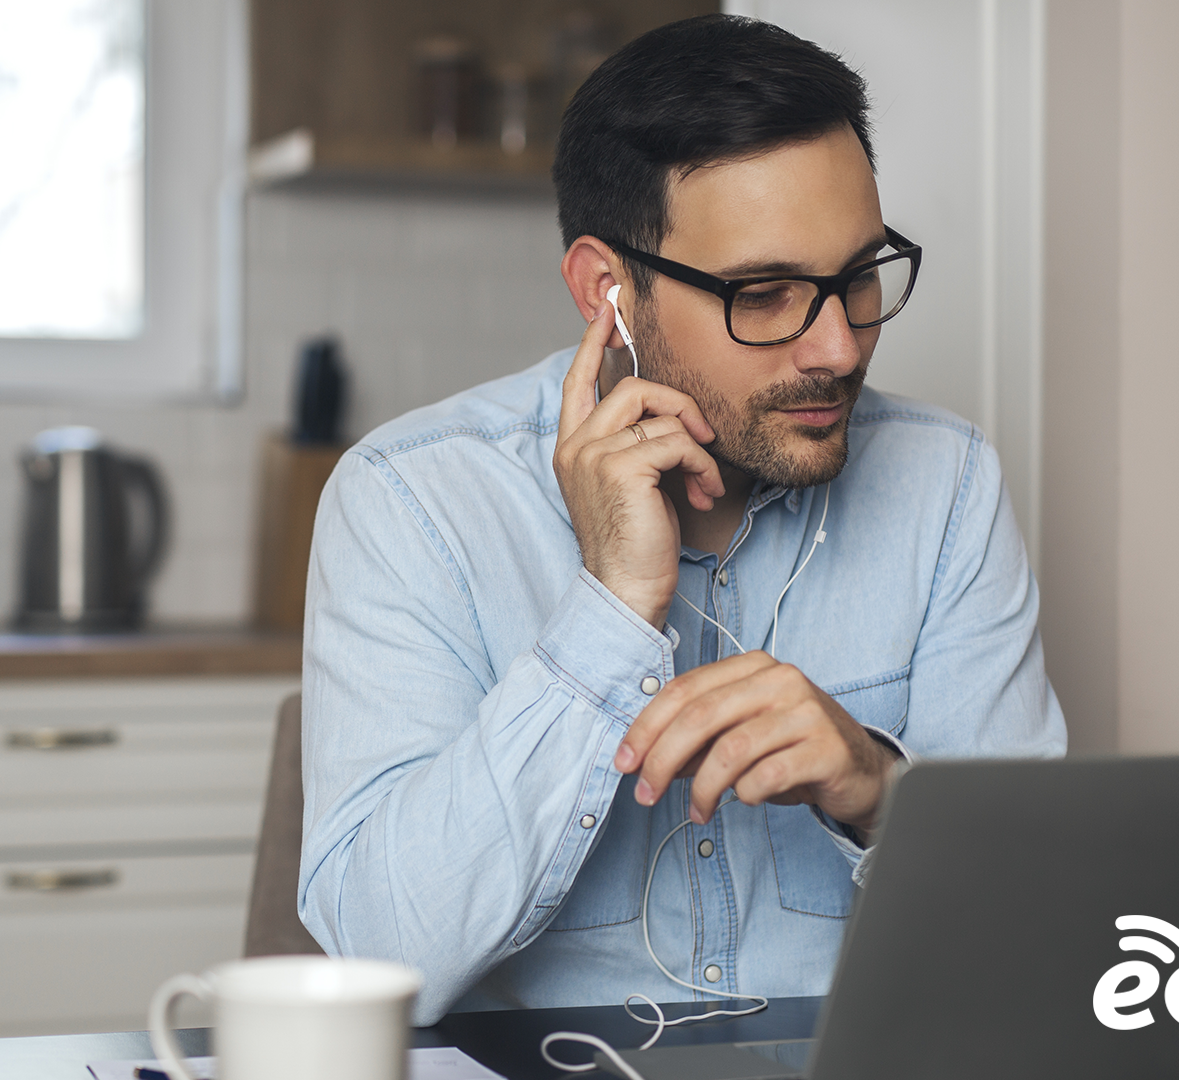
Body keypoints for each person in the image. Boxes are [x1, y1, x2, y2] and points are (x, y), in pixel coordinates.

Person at [297, 14, 1065, 1024]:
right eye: (765, 293)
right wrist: (609, 613)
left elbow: (1047, 945)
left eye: (858, 277)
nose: (837, 346)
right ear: (608, 293)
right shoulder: (410, 499)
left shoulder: (947, 484)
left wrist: (881, 791)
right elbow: (376, 965)